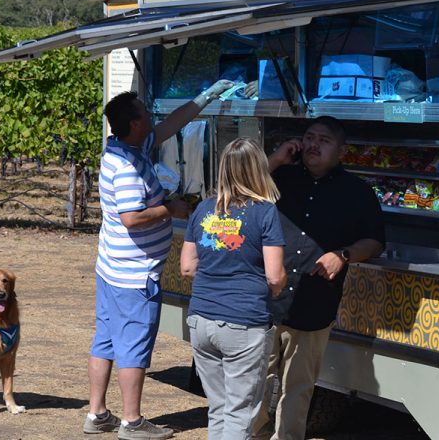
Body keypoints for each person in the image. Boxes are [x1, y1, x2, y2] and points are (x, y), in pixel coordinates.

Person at [84, 80, 233, 440]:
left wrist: (205, 97)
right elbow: (131, 217)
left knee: (105, 340)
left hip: (112, 268)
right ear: (135, 123)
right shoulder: (126, 168)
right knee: (133, 348)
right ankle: (132, 422)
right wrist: (171, 208)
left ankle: (97, 413)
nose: (152, 116)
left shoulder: (126, 146)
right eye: (145, 113)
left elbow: (171, 126)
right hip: (133, 275)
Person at [251, 116, 385, 440]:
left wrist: (344, 255)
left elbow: (375, 241)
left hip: (315, 303)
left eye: (323, 140)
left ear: (342, 151)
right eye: (309, 137)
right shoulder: (281, 176)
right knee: (255, 381)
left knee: (298, 387)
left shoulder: (358, 192)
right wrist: (278, 156)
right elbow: (242, 186)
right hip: (267, 299)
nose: (313, 144)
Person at [180, 137, 286, 440]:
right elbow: (275, 275)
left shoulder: (202, 210)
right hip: (244, 321)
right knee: (240, 411)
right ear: (259, 170)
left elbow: (187, 267)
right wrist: (272, 292)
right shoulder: (265, 212)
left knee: (218, 407)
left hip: (201, 318)